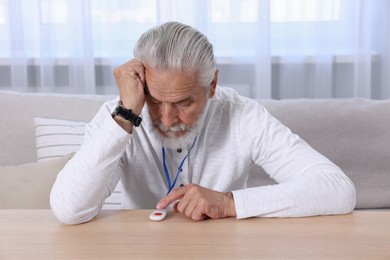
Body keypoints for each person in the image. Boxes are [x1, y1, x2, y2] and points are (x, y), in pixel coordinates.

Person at [50, 21, 356, 224]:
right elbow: (69, 210)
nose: (167, 119)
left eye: (184, 102)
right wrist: (126, 115)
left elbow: (338, 189)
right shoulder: (121, 116)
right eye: (155, 101)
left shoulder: (243, 115)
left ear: (211, 86)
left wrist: (227, 203)